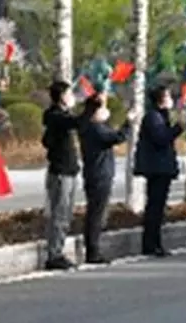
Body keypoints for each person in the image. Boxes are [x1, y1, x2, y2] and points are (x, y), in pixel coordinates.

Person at [78, 95, 138, 264]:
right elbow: (118, 137)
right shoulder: (95, 129)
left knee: (95, 212)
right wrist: (128, 122)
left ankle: (93, 248)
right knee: (96, 213)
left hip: (95, 173)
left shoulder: (90, 127)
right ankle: (93, 251)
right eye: (103, 108)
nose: (107, 111)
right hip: (99, 175)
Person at [135, 85, 184, 257]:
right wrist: (178, 128)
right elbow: (161, 138)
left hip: (162, 167)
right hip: (156, 168)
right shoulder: (153, 117)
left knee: (159, 207)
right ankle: (150, 243)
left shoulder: (161, 116)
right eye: (168, 96)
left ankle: (155, 242)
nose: (171, 99)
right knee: (154, 207)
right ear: (161, 99)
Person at [41, 80, 80, 270]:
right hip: (60, 172)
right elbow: (75, 122)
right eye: (69, 93)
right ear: (62, 96)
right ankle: (53, 254)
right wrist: (91, 109)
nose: (72, 97)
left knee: (66, 214)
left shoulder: (63, 115)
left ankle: (58, 250)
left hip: (70, 170)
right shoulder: (55, 117)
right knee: (59, 213)